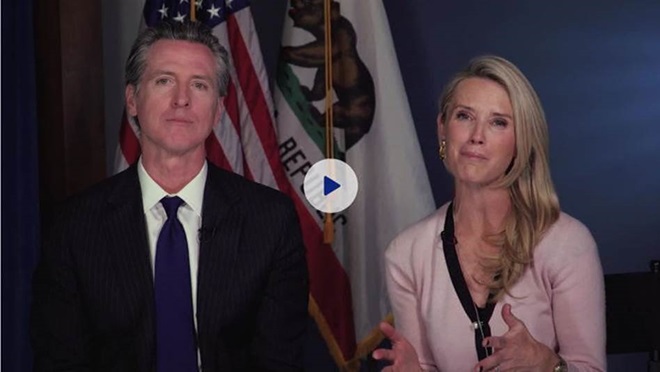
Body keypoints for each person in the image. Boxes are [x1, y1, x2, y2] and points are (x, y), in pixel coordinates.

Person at [30, 21, 309, 372]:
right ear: (132, 99)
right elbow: (59, 361)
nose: (182, 99)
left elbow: (280, 362)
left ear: (219, 109)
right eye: (164, 81)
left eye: (199, 84)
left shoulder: (270, 221)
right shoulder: (75, 226)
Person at [372, 55, 605, 371]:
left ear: (521, 141)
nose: (476, 136)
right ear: (443, 128)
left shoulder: (566, 242)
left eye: (498, 122)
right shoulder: (406, 252)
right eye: (464, 116)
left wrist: (548, 365)